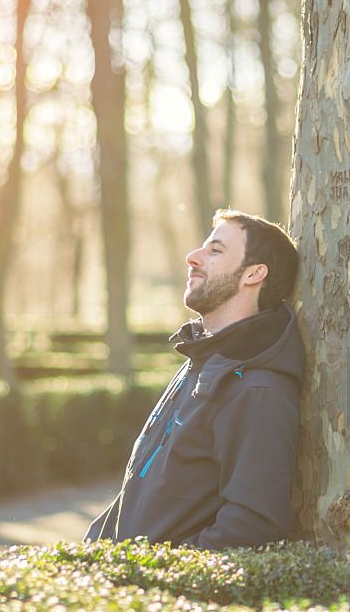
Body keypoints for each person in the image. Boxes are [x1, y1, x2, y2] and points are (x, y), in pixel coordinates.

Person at [85, 209, 303, 550]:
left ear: (254, 274)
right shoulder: (202, 362)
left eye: (215, 251)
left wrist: (156, 574)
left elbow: (254, 526)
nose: (193, 257)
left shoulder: (258, 391)